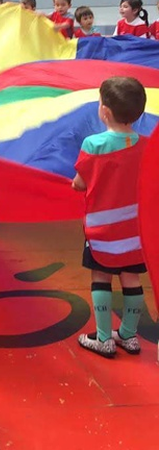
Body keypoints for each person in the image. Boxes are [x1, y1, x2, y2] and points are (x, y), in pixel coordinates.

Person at [72, 77, 147, 357]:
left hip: (102, 230)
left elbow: (80, 183)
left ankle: (103, 337)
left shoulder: (94, 144)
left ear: (104, 110)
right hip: (133, 231)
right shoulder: (147, 146)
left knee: (101, 275)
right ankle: (128, 335)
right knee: (132, 277)